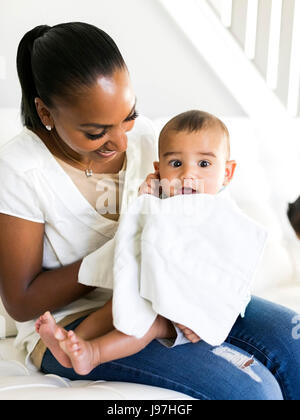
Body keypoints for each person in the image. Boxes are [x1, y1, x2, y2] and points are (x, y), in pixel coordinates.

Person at [0, 22, 299, 400]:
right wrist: (126, 254)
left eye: (129, 115)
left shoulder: (148, 138)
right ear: (46, 113)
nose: (122, 140)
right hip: (74, 326)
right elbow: (22, 301)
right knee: (254, 390)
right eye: (96, 132)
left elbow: (197, 219)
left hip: (171, 289)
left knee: (296, 348)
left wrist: (186, 285)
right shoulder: (19, 169)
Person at [35, 110, 238, 375]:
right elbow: (140, 232)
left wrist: (198, 313)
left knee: (145, 322)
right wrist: (147, 198)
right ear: (158, 169)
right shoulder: (165, 204)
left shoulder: (223, 217)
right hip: (151, 291)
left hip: (190, 313)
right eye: (176, 164)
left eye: (204, 164)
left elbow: (230, 274)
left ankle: (93, 354)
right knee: (118, 304)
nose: (188, 174)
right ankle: (69, 345)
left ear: (227, 172)